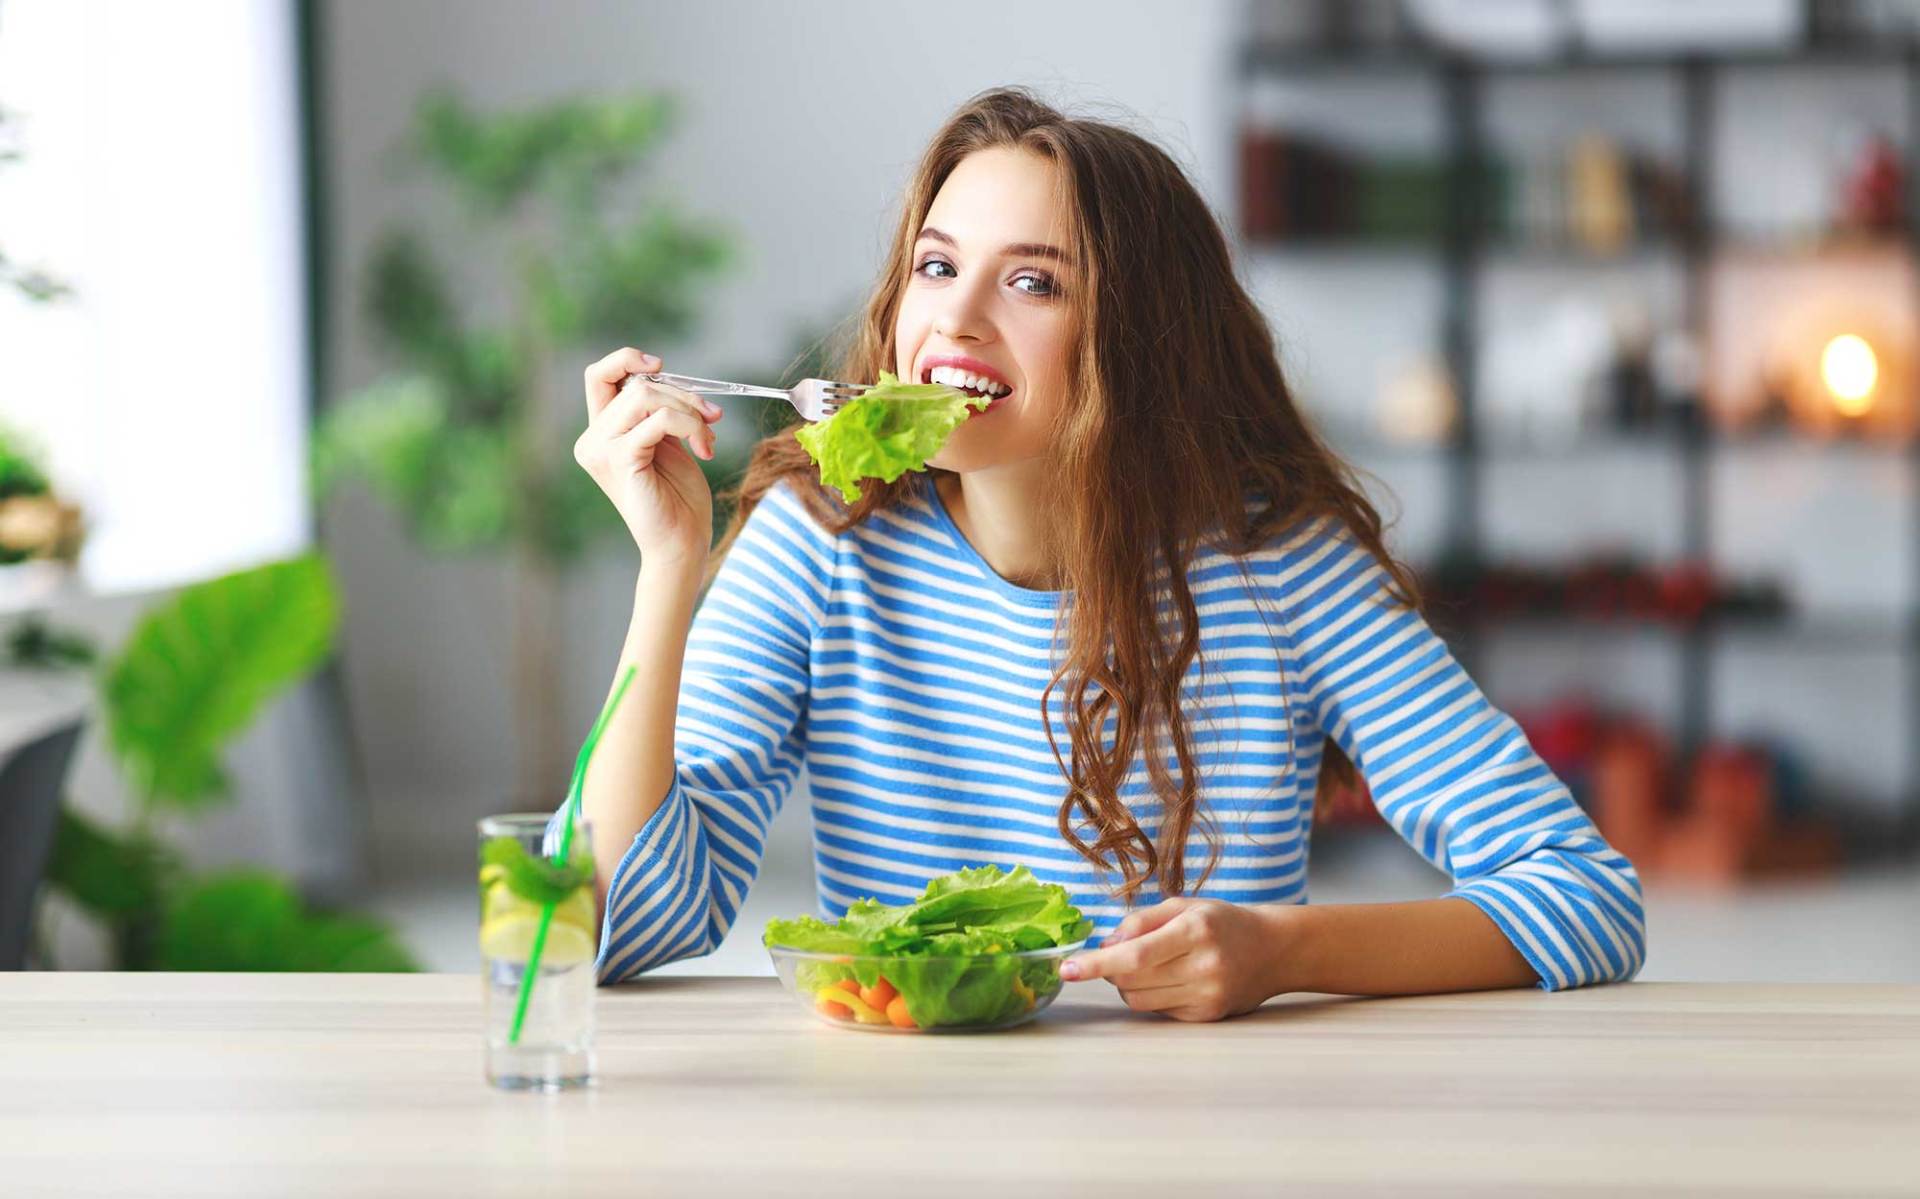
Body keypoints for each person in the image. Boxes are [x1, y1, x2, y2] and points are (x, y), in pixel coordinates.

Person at [561, 87, 1644, 1022]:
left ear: (1142, 340)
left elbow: (1584, 894)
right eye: (936, 266)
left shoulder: (1281, 565)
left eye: (1034, 282)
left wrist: (1283, 951)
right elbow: (610, 924)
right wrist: (669, 567)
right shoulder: (824, 541)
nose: (958, 318)